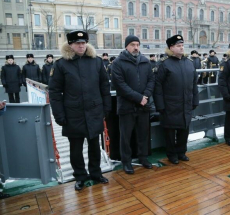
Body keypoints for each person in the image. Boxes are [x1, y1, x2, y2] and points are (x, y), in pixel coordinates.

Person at [49, 30, 111, 191]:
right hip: (73, 114)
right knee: (75, 149)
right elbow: (55, 92)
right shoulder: (61, 64)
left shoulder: (96, 62)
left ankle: (96, 173)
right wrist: (59, 115)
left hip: (94, 111)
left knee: (94, 146)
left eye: (83, 43)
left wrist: (106, 107)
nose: (81, 46)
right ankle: (80, 176)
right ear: (70, 45)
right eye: (77, 43)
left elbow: (105, 86)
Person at [111, 35, 155, 174]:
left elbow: (151, 80)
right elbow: (120, 85)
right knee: (126, 136)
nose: (136, 47)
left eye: (137, 44)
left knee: (143, 133)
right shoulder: (118, 63)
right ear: (126, 46)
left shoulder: (145, 62)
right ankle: (126, 162)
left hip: (143, 105)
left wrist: (146, 96)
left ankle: (143, 157)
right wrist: (139, 98)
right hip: (126, 106)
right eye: (132, 45)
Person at [154, 35, 199, 164]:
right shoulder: (164, 64)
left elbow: (194, 84)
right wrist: (160, 105)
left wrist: (195, 100)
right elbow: (158, 86)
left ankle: (181, 152)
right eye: (178, 46)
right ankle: (172, 154)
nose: (181, 48)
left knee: (184, 130)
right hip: (170, 105)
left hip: (186, 103)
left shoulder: (188, 63)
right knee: (170, 131)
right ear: (171, 47)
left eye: (182, 45)